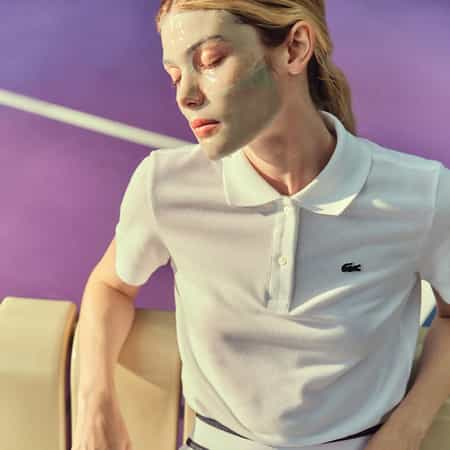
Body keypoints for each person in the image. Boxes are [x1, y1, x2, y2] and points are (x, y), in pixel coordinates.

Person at [74, 1, 450, 450]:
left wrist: (406, 431)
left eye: (210, 61)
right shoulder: (164, 184)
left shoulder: (422, 194)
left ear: (295, 48)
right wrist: (94, 404)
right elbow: (111, 286)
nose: (185, 95)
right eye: (174, 75)